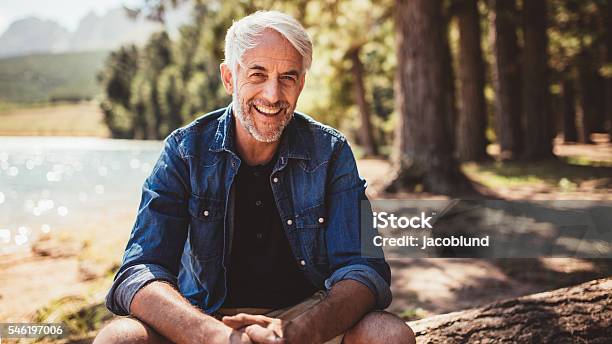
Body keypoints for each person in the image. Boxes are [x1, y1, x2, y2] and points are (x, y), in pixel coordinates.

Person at [94, 10, 415, 344]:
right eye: (257, 74)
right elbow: (139, 270)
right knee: (119, 338)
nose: (273, 95)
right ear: (229, 77)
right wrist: (214, 336)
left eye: (288, 77)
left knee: (387, 335)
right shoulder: (185, 151)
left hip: (307, 319)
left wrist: (295, 333)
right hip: (204, 318)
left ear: (301, 83)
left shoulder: (331, 152)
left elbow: (364, 269)